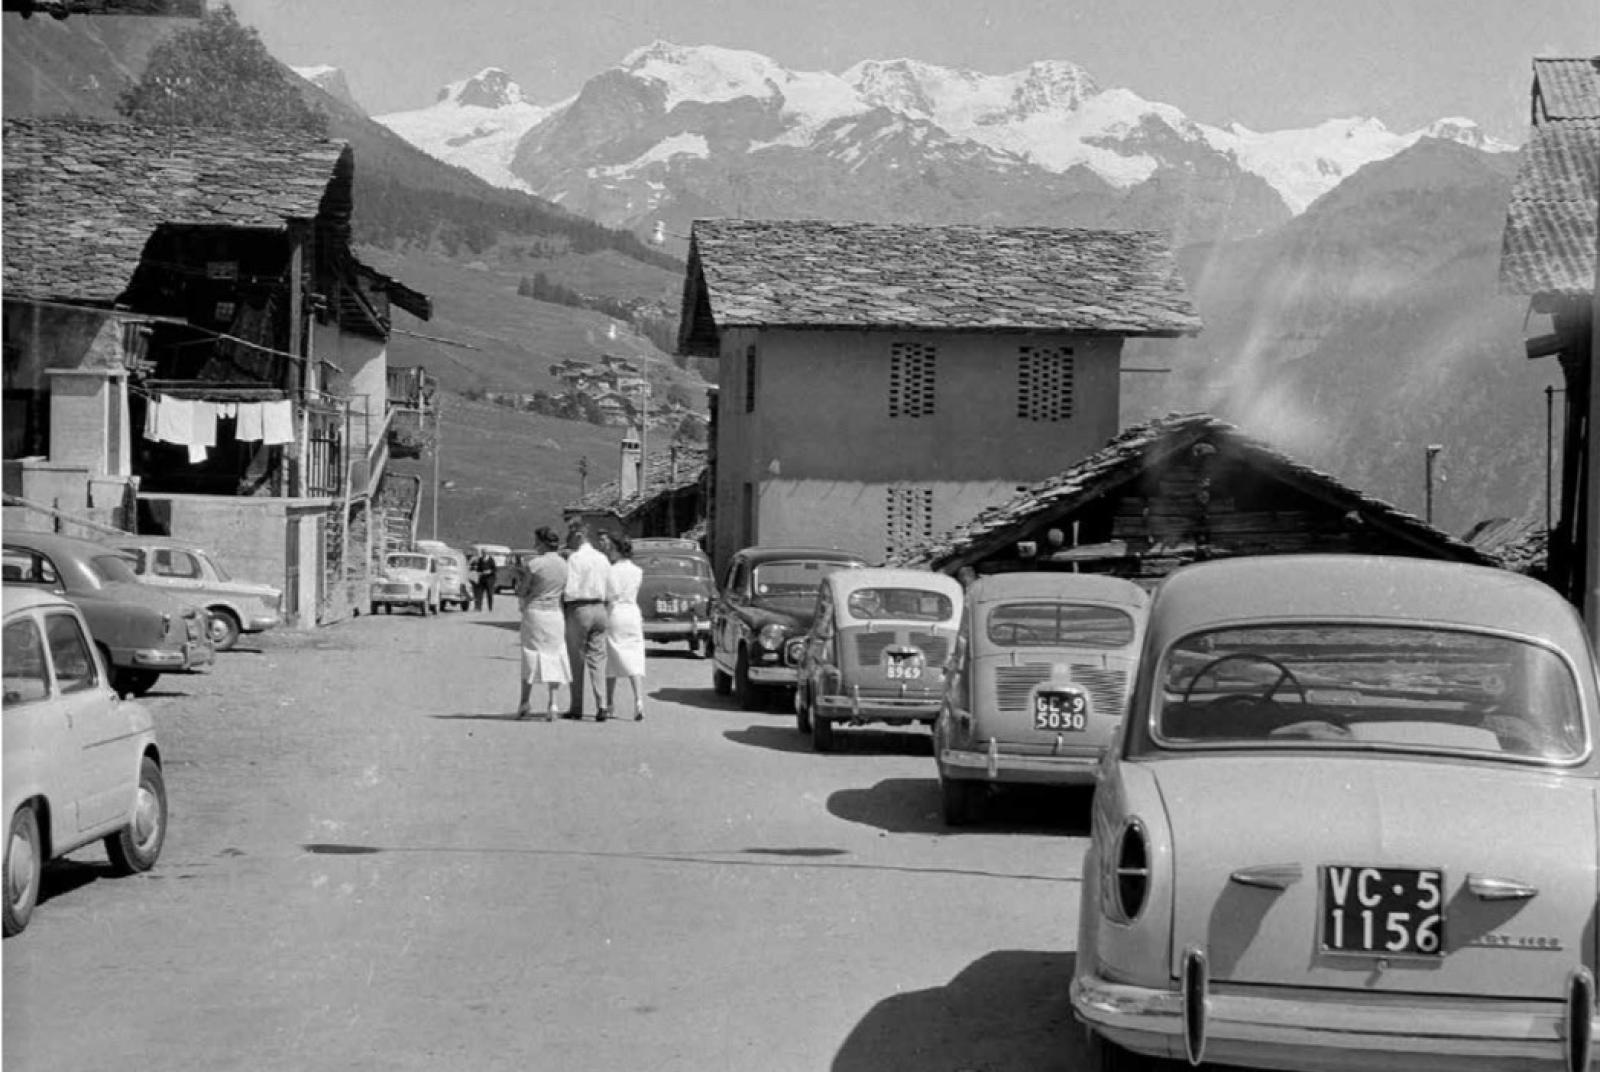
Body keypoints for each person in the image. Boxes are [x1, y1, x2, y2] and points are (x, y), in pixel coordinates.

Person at [515, 527, 570, 720]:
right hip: (555, 614)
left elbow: (522, 591)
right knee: (555, 655)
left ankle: (524, 702)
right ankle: (553, 703)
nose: (534, 545)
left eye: (536, 542)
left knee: (530, 654)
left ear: (543, 543)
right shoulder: (564, 565)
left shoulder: (534, 564)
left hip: (536, 612)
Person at [561, 526, 612, 721]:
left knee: (577, 659)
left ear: (578, 536)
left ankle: (576, 706)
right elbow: (610, 586)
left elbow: (571, 587)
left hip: (580, 607)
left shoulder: (575, 559)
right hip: (600, 608)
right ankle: (602, 704)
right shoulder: (602, 558)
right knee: (598, 658)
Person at [603, 535, 647, 721]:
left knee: (611, 658)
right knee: (634, 658)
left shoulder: (611, 571)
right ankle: (638, 700)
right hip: (632, 613)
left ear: (617, 549)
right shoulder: (637, 571)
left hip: (616, 612)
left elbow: (610, 594)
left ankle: (610, 703)